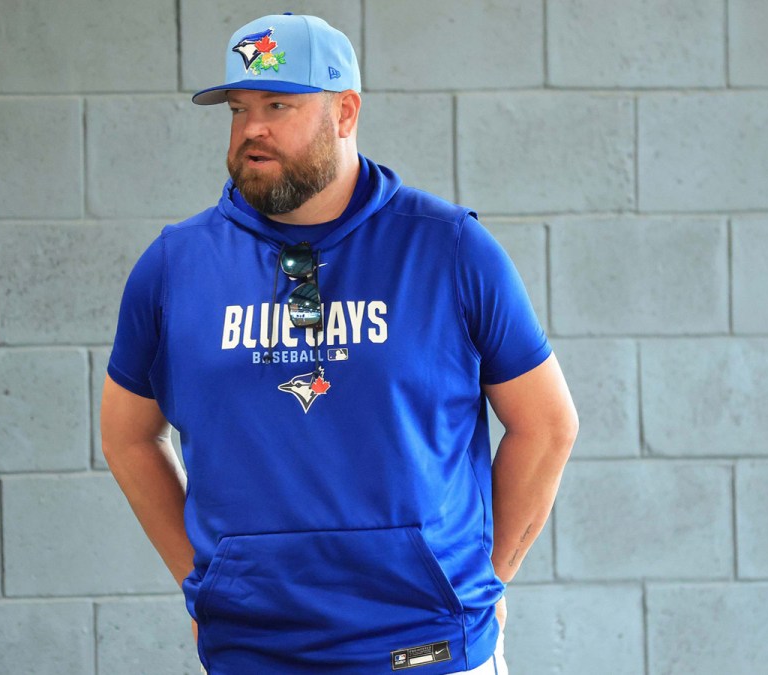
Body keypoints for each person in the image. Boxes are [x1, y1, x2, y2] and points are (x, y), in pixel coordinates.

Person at [99, 13, 577, 675]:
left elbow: (548, 424)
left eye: (278, 105)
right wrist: (203, 581)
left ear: (345, 111)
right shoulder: (175, 266)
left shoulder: (448, 249)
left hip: (427, 649)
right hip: (254, 653)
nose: (251, 129)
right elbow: (127, 435)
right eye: (238, 108)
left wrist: (483, 581)